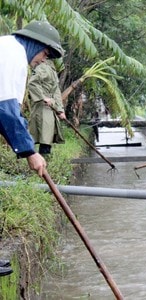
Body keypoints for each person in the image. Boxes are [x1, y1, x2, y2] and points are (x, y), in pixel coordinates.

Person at [0, 20, 63, 273]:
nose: (41, 61)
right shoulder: (12, 55)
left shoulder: (8, 50)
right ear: (35, 43)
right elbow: (6, 110)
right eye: (45, 54)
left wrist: (16, 139)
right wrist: (29, 152)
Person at [28, 59, 66, 156]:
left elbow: (56, 91)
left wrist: (60, 109)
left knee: (47, 137)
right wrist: (43, 97)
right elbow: (32, 83)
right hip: (42, 107)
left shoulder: (50, 68)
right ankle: (41, 163)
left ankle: (44, 163)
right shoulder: (43, 67)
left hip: (50, 107)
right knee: (44, 137)